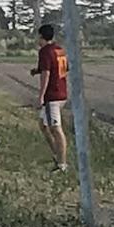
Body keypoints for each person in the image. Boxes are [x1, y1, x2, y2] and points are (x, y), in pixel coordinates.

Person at [32, 24, 69, 172]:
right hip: (62, 92)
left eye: (38, 36)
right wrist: (37, 70)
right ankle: (57, 153)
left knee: (55, 128)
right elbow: (62, 68)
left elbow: (46, 74)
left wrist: (41, 96)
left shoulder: (45, 51)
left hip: (52, 95)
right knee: (43, 124)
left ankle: (62, 164)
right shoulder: (60, 50)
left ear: (41, 37)